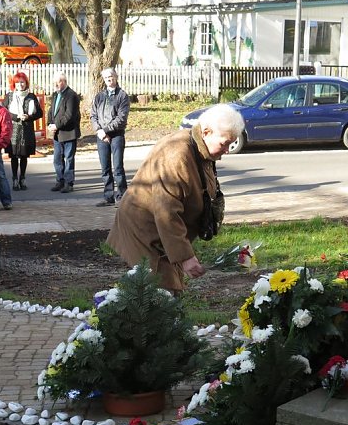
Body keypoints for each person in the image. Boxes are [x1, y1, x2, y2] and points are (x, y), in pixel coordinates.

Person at [107, 104, 244, 293]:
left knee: (166, 291)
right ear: (206, 132)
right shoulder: (176, 156)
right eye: (224, 143)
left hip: (164, 233)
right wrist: (185, 257)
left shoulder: (200, 148)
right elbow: (166, 212)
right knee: (162, 292)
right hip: (146, 232)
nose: (227, 150)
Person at [90, 67, 130, 206]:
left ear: (116, 77)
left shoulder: (122, 96)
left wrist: (106, 130)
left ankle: (122, 197)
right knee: (105, 168)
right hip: (101, 136)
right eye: (107, 78)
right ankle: (108, 197)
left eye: (111, 77)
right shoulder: (99, 96)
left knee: (118, 168)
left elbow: (121, 118)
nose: (109, 80)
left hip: (116, 135)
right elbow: (93, 115)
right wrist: (99, 131)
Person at [3, 72, 42, 191]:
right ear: (14, 84)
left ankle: (22, 178)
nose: (20, 84)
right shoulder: (9, 96)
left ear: (26, 83)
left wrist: (29, 117)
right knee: (14, 155)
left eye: (22, 82)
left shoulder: (31, 96)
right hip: (13, 129)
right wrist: (16, 116)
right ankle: (15, 179)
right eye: (17, 82)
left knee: (24, 155)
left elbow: (39, 113)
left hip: (26, 129)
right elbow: (4, 112)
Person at [47, 71, 80, 193]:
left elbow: (70, 115)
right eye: (54, 82)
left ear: (64, 82)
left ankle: (68, 183)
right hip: (57, 133)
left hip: (69, 132)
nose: (55, 84)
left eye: (58, 82)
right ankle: (59, 180)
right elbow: (52, 111)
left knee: (69, 158)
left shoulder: (71, 95)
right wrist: (50, 123)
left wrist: (57, 125)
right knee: (57, 159)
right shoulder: (56, 94)